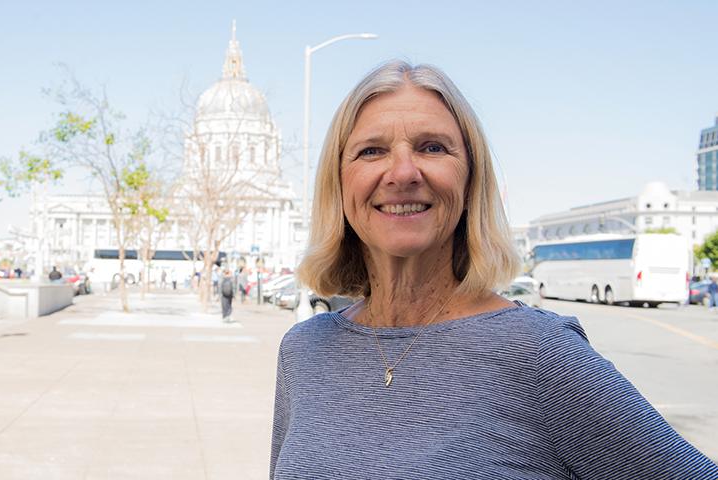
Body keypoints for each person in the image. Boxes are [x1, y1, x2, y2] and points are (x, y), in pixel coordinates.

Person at [269, 61, 718, 479]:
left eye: (432, 147)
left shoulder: (539, 354)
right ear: (339, 181)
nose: (402, 172)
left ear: (470, 180)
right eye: (371, 150)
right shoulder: (304, 351)